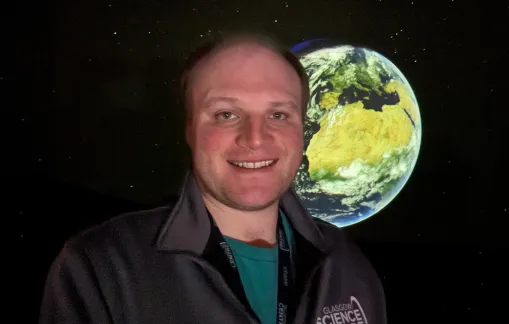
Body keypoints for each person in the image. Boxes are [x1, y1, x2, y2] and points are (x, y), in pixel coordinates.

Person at [39, 30, 387, 324]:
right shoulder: (102, 268)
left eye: (278, 114)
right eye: (226, 114)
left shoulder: (347, 266)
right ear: (189, 129)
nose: (254, 138)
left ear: (302, 131)